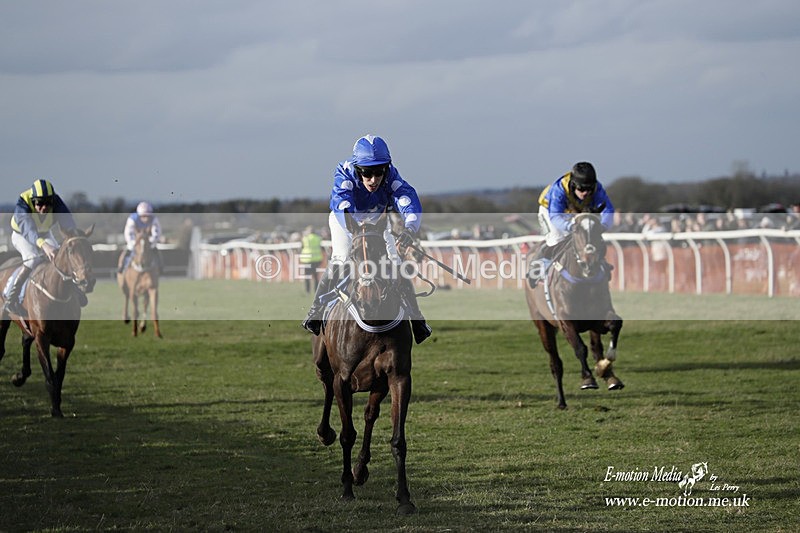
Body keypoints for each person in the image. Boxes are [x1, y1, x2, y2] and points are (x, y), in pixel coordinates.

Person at [301, 134, 431, 343]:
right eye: (366, 173)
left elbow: (408, 200)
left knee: (396, 262)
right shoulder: (344, 171)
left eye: (378, 172)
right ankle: (315, 311)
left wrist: (409, 230)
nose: (373, 179)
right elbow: (342, 203)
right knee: (341, 258)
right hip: (345, 219)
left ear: (386, 168)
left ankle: (417, 320)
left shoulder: (391, 177)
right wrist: (357, 230)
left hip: (375, 220)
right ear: (357, 169)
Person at [528, 162, 614, 288]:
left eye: (589, 189)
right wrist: (570, 227)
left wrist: (603, 226)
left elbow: (608, 210)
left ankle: (601, 264)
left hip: (575, 212)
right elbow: (555, 217)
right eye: (582, 189)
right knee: (556, 238)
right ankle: (538, 267)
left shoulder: (597, 189)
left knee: (590, 237)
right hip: (550, 211)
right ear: (573, 185)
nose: (586, 193)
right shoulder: (559, 189)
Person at [3, 179, 77, 317]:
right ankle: (11, 299)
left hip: (44, 232)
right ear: (33, 201)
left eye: (48, 204)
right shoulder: (23, 202)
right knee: (31, 260)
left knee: (59, 257)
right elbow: (28, 229)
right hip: (22, 235)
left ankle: (75, 290)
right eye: (40, 204)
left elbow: (67, 220)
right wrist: (44, 245)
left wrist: (74, 235)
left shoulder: (56, 200)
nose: (44, 208)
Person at [118, 201, 163, 274]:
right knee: (129, 249)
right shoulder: (132, 219)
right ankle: (122, 266)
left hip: (148, 240)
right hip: (135, 240)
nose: (146, 218)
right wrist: (133, 243)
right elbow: (128, 233)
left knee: (155, 250)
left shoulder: (154, 219)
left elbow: (157, 233)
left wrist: (150, 242)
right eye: (143, 216)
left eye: (147, 216)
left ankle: (161, 266)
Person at [299, 226, 324, 293]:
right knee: (316, 277)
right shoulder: (318, 238)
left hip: (307, 260)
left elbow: (301, 247)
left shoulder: (305, 238)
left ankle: (307, 290)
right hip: (316, 260)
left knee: (307, 276)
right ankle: (316, 290)